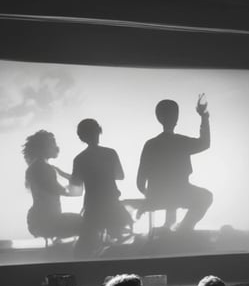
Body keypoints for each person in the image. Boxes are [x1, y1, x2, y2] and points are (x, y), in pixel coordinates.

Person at [136, 96, 213, 232]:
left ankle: (172, 226)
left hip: (157, 195)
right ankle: (183, 229)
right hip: (179, 192)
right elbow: (205, 143)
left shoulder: (150, 145)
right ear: (176, 118)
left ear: (159, 117)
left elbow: (140, 182)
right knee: (206, 197)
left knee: (174, 193)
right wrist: (204, 117)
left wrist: (150, 196)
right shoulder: (181, 142)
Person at [70, 118, 132, 255]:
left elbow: (76, 185)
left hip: (92, 209)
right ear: (99, 131)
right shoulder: (110, 153)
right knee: (120, 243)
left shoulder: (79, 159)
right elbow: (120, 175)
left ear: (81, 137)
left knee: (82, 250)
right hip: (113, 207)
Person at [21, 130, 81, 241]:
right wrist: (79, 182)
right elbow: (68, 192)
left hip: (39, 220)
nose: (56, 147)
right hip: (48, 221)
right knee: (89, 223)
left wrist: (66, 176)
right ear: (43, 148)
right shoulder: (43, 168)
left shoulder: (39, 167)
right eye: (53, 144)